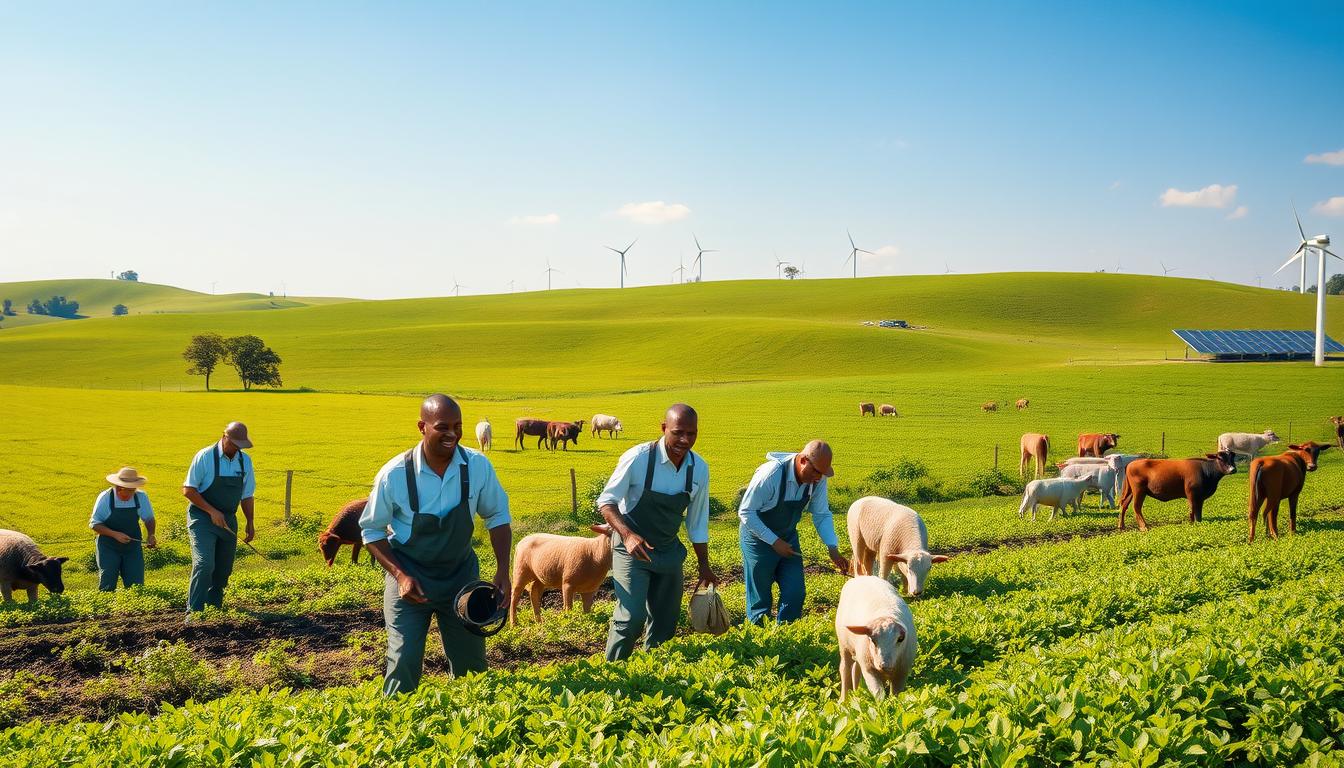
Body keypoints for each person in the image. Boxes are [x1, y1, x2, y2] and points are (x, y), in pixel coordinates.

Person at [360, 394, 513, 695]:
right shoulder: (394, 475)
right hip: (410, 577)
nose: (453, 434)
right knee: (403, 658)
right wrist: (401, 575)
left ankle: (474, 726)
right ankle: (397, 727)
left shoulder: (477, 466)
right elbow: (371, 531)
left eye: (458, 426)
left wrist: (503, 570)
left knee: (472, 666)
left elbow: (497, 515)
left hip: (461, 577)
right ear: (422, 427)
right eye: (443, 427)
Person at [599, 404, 717, 661]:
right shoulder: (638, 458)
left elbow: (697, 522)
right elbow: (606, 502)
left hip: (668, 551)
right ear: (664, 428)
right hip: (632, 550)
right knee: (631, 617)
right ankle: (612, 673)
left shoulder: (699, 468)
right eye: (678, 432)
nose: (685, 440)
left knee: (666, 621)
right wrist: (628, 536)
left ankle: (651, 675)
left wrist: (704, 565)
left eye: (692, 433)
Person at [738, 440, 849, 625]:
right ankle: (758, 643)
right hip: (757, 540)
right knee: (761, 598)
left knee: (795, 592)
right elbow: (746, 512)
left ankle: (786, 636)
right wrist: (774, 541)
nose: (818, 478)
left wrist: (832, 547)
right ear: (803, 460)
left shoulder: (817, 479)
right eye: (815, 472)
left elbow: (821, 514)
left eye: (822, 474)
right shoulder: (771, 474)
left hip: (788, 537)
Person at [182, 421, 255, 616]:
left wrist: (250, 521)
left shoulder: (244, 461)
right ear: (224, 438)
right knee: (204, 563)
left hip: (228, 519)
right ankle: (194, 611)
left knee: (223, 568)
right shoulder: (205, 457)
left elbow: (247, 495)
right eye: (234, 445)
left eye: (241, 446)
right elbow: (188, 490)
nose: (237, 449)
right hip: (202, 518)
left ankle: (214, 607)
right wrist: (211, 511)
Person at [89, 467, 157, 591]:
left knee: (136, 586)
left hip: (132, 547)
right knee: (108, 583)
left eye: (133, 490)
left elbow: (149, 519)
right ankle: (106, 608)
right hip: (108, 547)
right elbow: (95, 524)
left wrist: (151, 534)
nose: (131, 494)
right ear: (119, 488)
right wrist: (114, 534)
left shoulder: (141, 497)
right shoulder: (105, 498)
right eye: (128, 491)